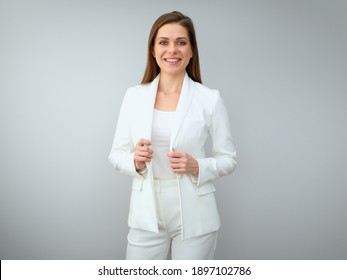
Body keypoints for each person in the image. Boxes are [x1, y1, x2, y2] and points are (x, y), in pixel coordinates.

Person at [109, 11, 237, 260]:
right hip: (146, 213)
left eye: (181, 42)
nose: (172, 50)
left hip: (196, 213)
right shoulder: (134, 96)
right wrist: (134, 161)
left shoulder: (209, 99)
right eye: (164, 42)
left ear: (191, 50)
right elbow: (115, 154)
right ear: (153, 50)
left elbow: (229, 158)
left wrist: (196, 166)